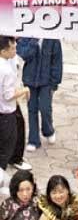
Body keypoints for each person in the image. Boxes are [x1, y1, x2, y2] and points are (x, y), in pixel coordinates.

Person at [16, 36, 59, 153]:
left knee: (45, 108)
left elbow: (57, 61)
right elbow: (24, 55)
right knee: (32, 109)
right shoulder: (26, 37)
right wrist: (34, 41)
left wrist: (55, 82)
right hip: (29, 80)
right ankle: (33, 140)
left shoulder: (53, 39)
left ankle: (48, 130)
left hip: (47, 81)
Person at [0, 36, 29, 177]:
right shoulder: (6, 69)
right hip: (6, 113)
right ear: (3, 51)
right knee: (6, 147)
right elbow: (8, 95)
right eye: (12, 48)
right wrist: (24, 90)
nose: (15, 51)